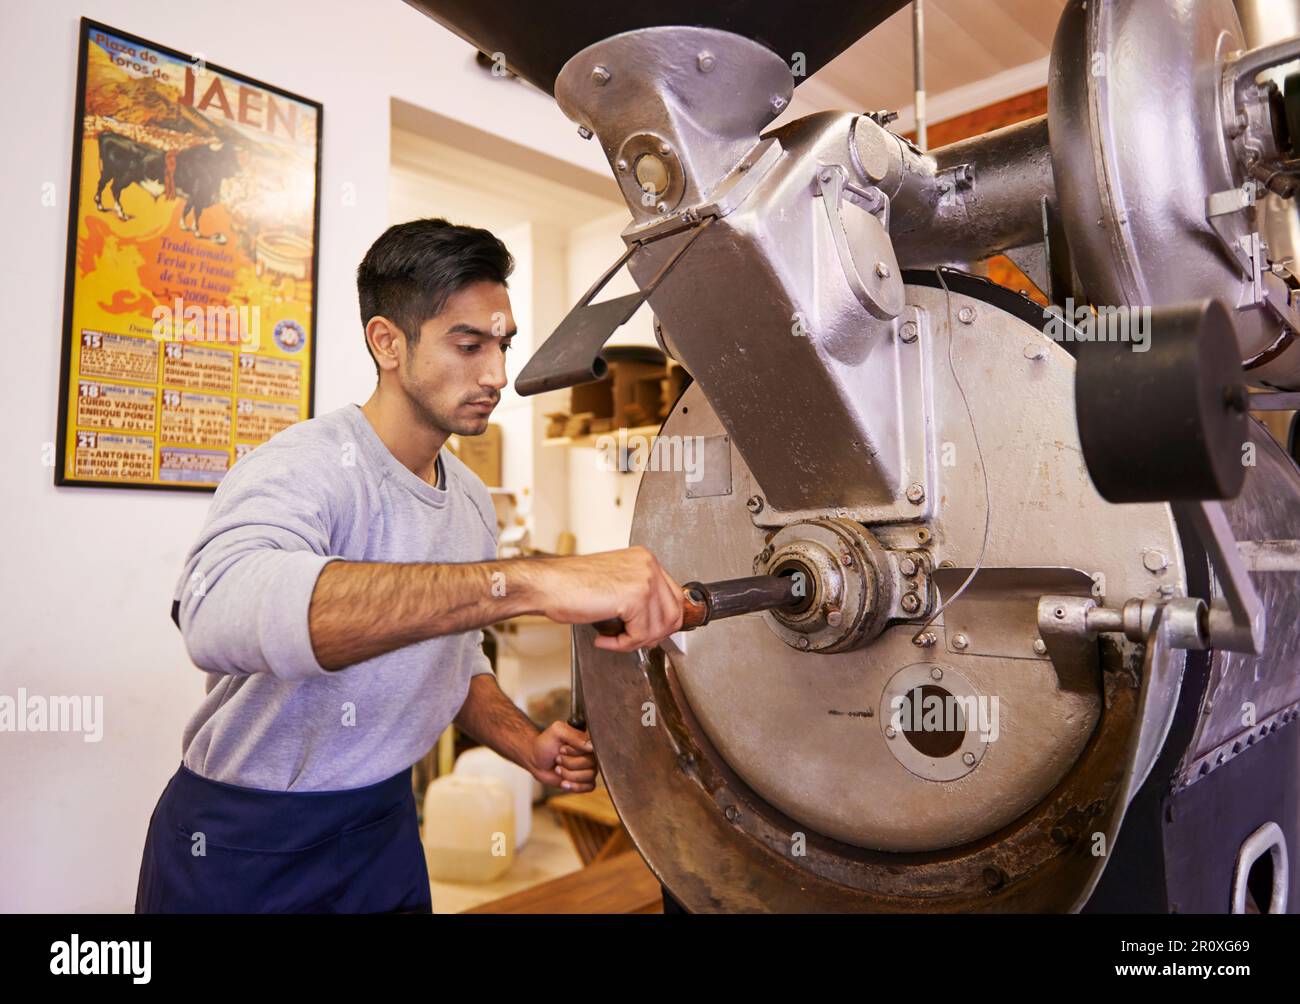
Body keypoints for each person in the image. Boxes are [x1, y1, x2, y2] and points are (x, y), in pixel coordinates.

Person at [135, 218, 684, 913]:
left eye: (502, 345)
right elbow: (216, 613)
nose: (497, 375)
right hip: (250, 840)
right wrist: (530, 580)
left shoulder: (470, 506)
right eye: (469, 345)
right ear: (387, 342)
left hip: (383, 833)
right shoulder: (305, 465)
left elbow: (451, 664)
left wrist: (524, 741)